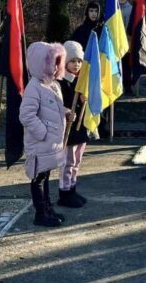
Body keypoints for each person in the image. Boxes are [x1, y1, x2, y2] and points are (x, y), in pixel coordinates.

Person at [20, 42, 74, 228]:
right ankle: (40, 213)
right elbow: (26, 115)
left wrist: (66, 112)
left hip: (50, 145)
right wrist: (43, 132)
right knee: (38, 179)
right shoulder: (34, 87)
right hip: (40, 144)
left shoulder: (52, 85)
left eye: (58, 62)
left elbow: (53, 109)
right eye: (53, 62)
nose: (56, 67)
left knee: (45, 176)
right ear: (41, 63)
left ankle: (48, 209)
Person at [57, 41, 88, 209]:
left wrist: (85, 100)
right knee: (67, 161)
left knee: (77, 160)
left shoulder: (81, 81)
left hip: (80, 126)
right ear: (65, 61)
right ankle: (64, 192)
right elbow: (55, 103)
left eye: (79, 61)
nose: (76, 65)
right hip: (67, 127)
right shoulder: (60, 81)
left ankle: (72, 188)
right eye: (73, 61)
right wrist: (66, 111)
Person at [117, 0, 134, 95]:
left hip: (127, 41)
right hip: (116, 41)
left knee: (127, 65)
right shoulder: (114, 8)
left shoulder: (131, 9)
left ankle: (128, 87)